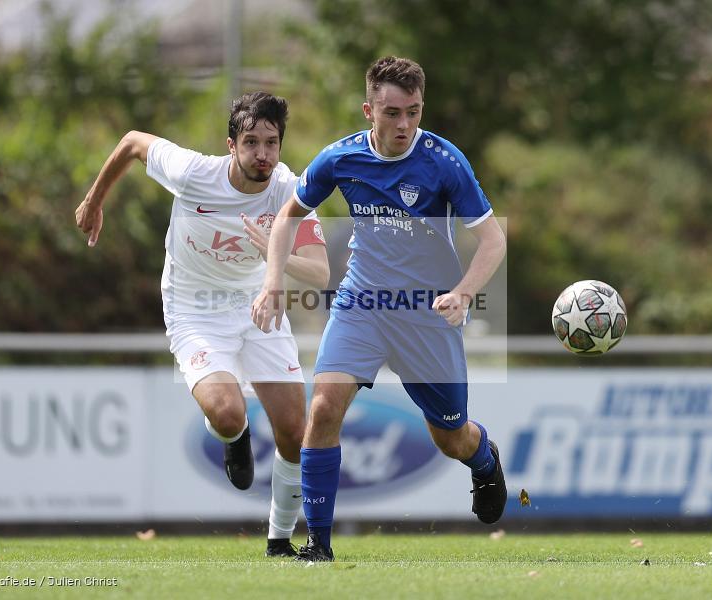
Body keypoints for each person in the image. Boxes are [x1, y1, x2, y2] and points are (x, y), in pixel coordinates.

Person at [251, 57, 508, 561]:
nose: (404, 124)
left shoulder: (444, 161)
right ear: (369, 111)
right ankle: (319, 546)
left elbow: (492, 241)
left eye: (414, 111)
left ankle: (484, 460)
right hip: (362, 303)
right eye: (392, 113)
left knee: (450, 437)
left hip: (427, 313)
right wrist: (273, 280)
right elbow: (287, 217)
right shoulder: (340, 158)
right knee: (323, 408)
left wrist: (462, 293)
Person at [75, 92, 329, 557]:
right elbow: (132, 142)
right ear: (231, 145)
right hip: (194, 310)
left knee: (296, 432)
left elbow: (320, 272)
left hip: (257, 308)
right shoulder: (193, 172)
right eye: (251, 143)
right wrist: (94, 201)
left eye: (271, 143)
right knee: (228, 412)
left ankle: (278, 542)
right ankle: (234, 436)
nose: (262, 154)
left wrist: (275, 254)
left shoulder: (289, 191)